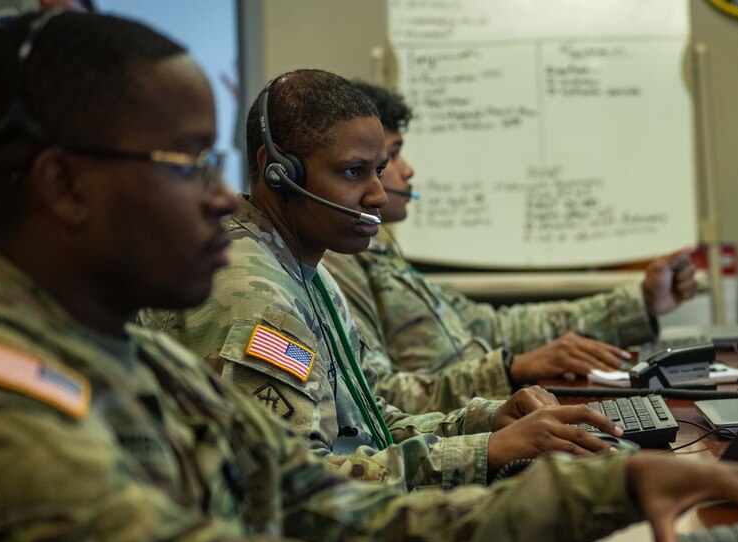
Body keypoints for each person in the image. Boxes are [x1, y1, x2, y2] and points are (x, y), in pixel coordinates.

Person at [0, 11, 738, 542]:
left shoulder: (138, 362)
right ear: (61, 185)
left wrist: (616, 488)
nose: (219, 196)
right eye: (185, 166)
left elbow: (324, 509)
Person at [141, 70, 626, 487]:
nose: (376, 194)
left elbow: (368, 424)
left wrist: (485, 422)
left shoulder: (309, 272)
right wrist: (486, 453)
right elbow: (295, 488)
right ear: (277, 173)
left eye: (379, 170)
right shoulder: (250, 295)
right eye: (353, 172)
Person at [323, 82, 699, 414]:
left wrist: (641, 302)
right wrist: (511, 370)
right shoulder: (338, 260)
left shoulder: (380, 245)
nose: (407, 171)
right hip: (460, 436)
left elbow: (489, 326)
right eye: (392, 157)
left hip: (486, 417)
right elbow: (377, 400)